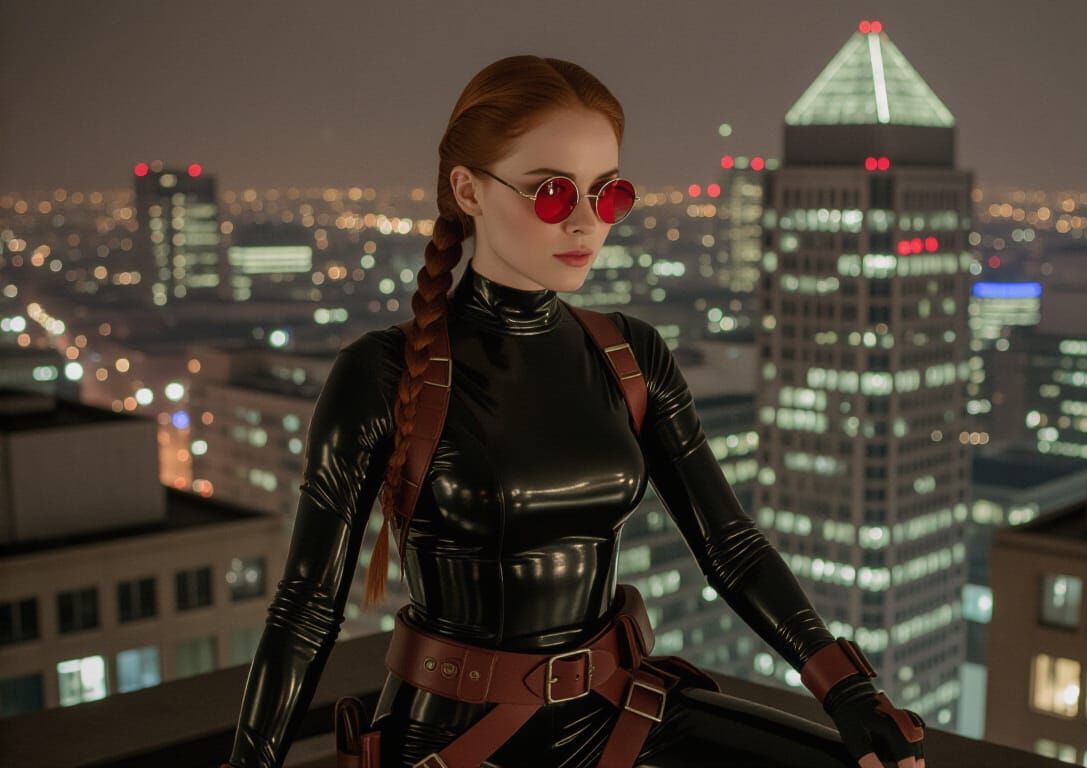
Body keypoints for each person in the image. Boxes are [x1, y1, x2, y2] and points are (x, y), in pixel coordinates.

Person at [220, 54, 927, 768]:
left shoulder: (630, 354)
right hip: (457, 740)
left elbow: (729, 545)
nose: (587, 223)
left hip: (619, 712)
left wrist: (847, 692)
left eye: (607, 194)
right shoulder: (381, 372)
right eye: (553, 193)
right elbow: (308, 606)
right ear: (468, 189)